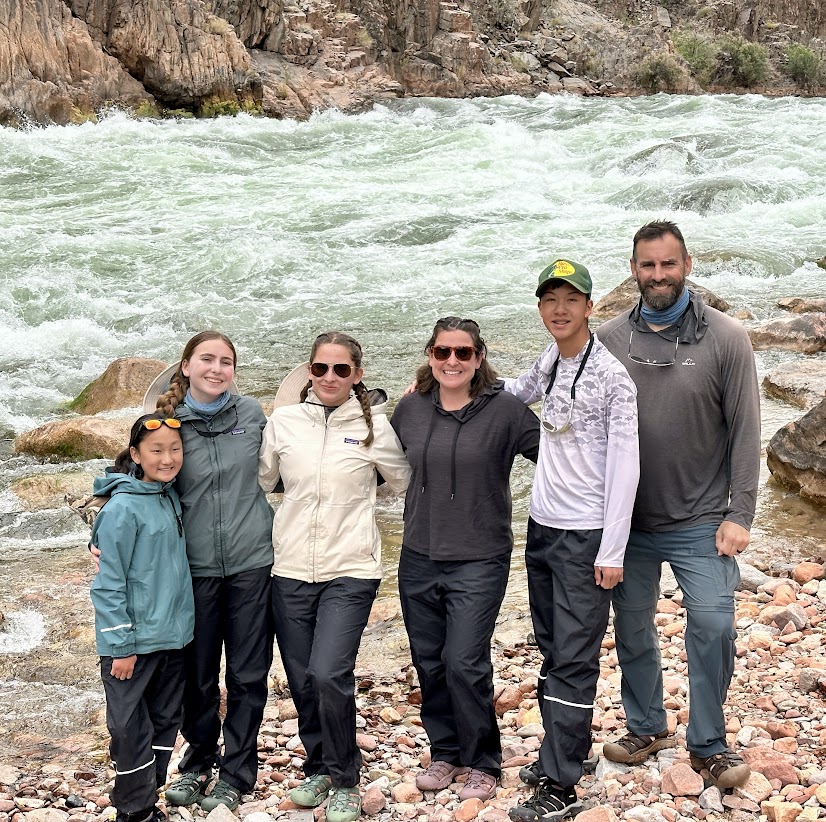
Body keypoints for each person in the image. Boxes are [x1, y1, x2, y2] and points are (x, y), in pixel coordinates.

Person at [597, 221, 760, 788]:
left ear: (686, 265)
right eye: (647, 265)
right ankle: (646, 725)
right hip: (630, 522)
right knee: (633, 627)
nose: (658, 275)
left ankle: (709, 742)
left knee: (714, 624)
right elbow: (588, 427)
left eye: (667, 265)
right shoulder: (612, 340)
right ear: (634, 269)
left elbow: (746, 430)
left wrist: (741, 514)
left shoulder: (726, 337)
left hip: (702, 518)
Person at [501, 260, 639, 821]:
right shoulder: (552, 362)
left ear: (590, 307)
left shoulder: (613, 377)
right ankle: (562, 752)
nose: (559, 309)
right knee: (552, 646)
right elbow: (512, 394)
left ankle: (561, 785)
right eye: (549, 299)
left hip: (586, 537)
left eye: (570, 299)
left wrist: (612, 549)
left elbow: (627, 466)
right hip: (542, 527)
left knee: (576, 657)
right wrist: (446, 379)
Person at [258, 332, 410, 822]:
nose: (329, 378)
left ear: (356, 376)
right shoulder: (283, 422)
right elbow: (259, 482)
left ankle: (345, 776)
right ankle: (318, 764)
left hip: (352, 568)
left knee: (329, 672)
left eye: (340, 370)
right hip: (290, 569)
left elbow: (407, 481)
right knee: (302, 679)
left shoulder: (374, 427)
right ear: (308, 372)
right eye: (320, 369)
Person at [390, 317, 540, 803]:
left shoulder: (507, 411)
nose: (451, 361)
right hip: (417, 555)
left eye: (462, 353)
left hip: (480, 557)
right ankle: (445, 750)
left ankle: (483, 760)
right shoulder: (409, 408)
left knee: (464, 662)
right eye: (442, 353)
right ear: (430, 356)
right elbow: (375, 464)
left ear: (478, 358)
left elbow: (559, 457)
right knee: (429, 662)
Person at [145, 331, 275, 811]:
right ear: (186, 366)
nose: (217, 369)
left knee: (247, 674)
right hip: (192, 568)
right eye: (207, 359)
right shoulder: (165, 424)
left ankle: (237, 771)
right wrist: (103, 537)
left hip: (252, 563)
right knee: (196, 675)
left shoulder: (252, 414)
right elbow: (132, 481)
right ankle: (198, 759)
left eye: (226, 361)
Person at [90, 413, 194, 822]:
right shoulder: (121, 509)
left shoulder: (167, 495)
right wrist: (120, 646)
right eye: (156, 451)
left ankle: (145, 802)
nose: (167, 458)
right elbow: (107, 583)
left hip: (172, 638)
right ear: (135, 454)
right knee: (129, 730)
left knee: (166, 720)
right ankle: (132, 811)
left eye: (174, 449)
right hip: (131, 646)